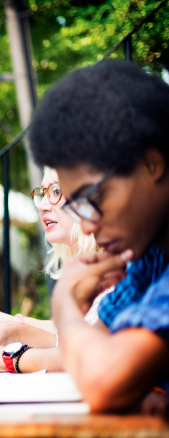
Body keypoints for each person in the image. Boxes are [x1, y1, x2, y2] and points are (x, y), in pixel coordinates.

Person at [28, 60, 169, 413]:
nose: (87, 225)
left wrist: (64, 303)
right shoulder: (151, 257)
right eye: (76, 206)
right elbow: (101, 341)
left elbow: (104, 379)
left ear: (152, 164)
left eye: (93, 199)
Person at [0, 168, 105, 372]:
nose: (43, 206)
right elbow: (77, 331)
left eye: (56, 191)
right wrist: (16, 324)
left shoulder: (126, 268)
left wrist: (11, 347)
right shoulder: (90, 268)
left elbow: (92, 351)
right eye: (43, 193)